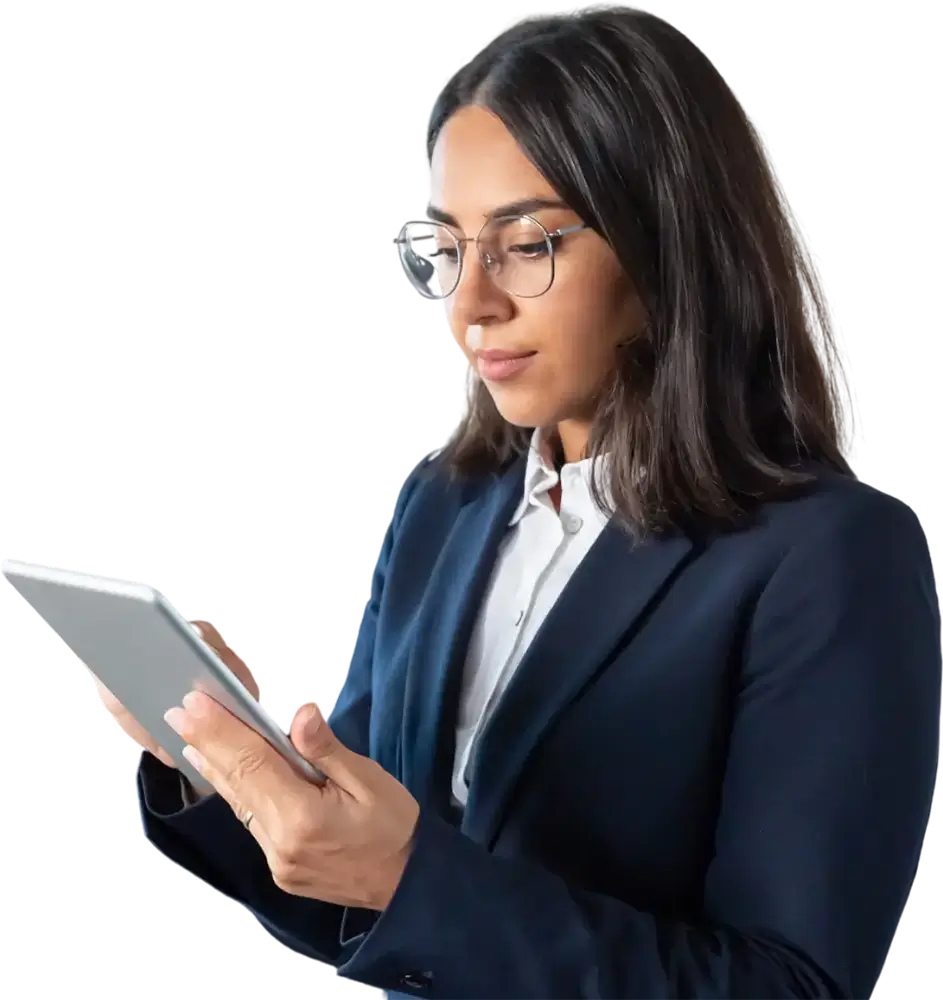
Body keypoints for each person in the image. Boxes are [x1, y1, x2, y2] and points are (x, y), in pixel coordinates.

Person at [92, 5, 940, 999]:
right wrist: (232, 767)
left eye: (526, 244)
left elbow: (788, 985)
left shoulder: (829, 557)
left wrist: (408, 880)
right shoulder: (442, 504)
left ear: (663, 243)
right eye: (445, 249)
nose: (470, 304)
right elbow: (362, 913)